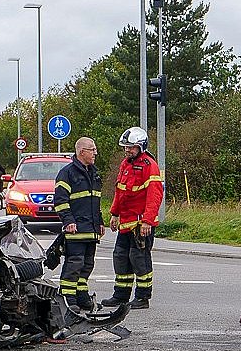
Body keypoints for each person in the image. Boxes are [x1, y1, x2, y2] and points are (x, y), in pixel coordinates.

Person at [105, 126, 163, 309]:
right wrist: (114, 214)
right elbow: (120, 191)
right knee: (121, 257)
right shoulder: (126, 164)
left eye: (131, 147)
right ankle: (121, 295)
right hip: (125, 222)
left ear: (141, 146)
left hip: (140, 223)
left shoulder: (149, 165)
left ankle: (142, 297)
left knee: (139, 258)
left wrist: (147, 220)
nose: (127, 150)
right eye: (126, 147)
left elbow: (155, 196)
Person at [53, 136, 104, 313]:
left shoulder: (94, 172)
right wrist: (68, 221)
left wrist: (100, 222)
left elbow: (95, 201)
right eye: (92, 149)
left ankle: (82, 296)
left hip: (91, 230)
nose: (95, 153)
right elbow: (60, 201)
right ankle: (68, 298)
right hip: (75, 230)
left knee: (87, 264)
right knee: (74, 264)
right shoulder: (67, 173)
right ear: (81, 151)